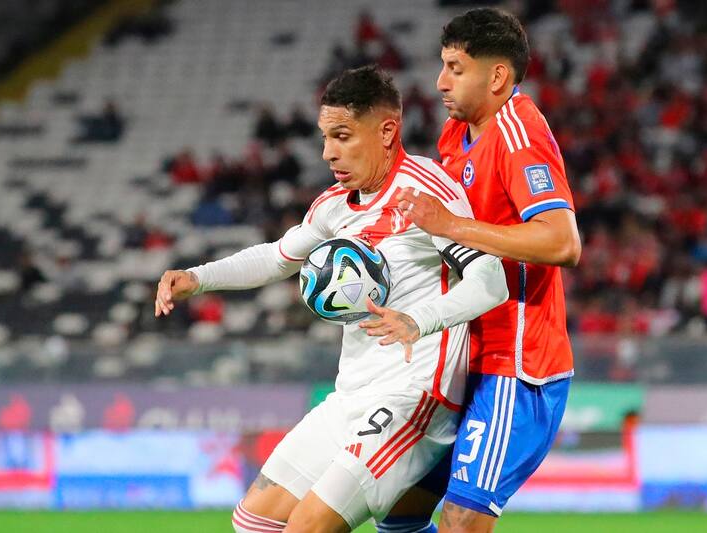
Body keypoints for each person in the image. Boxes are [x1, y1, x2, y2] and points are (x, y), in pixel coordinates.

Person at [154, 66, 508, 532]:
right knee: (252, 522)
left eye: (341, 136)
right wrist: (197, 278)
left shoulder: (426, 191)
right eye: (325, 138)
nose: (328, 153)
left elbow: (491, 280)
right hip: (350, 397)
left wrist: (418, 320)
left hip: (414, 396)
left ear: (387, 131)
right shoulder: (334, 204)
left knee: (308, 527)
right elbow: (277, 257)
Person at [371, 8, 582, 532]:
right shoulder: (455, 134)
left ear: (497, 76)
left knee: (463, 519)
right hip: (461, 355)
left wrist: (450, 225)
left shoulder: (519, 134)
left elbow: (562, 242)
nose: (440, 82)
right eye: (442, 65)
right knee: (395, 509)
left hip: (515, 362)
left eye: (456, 68)